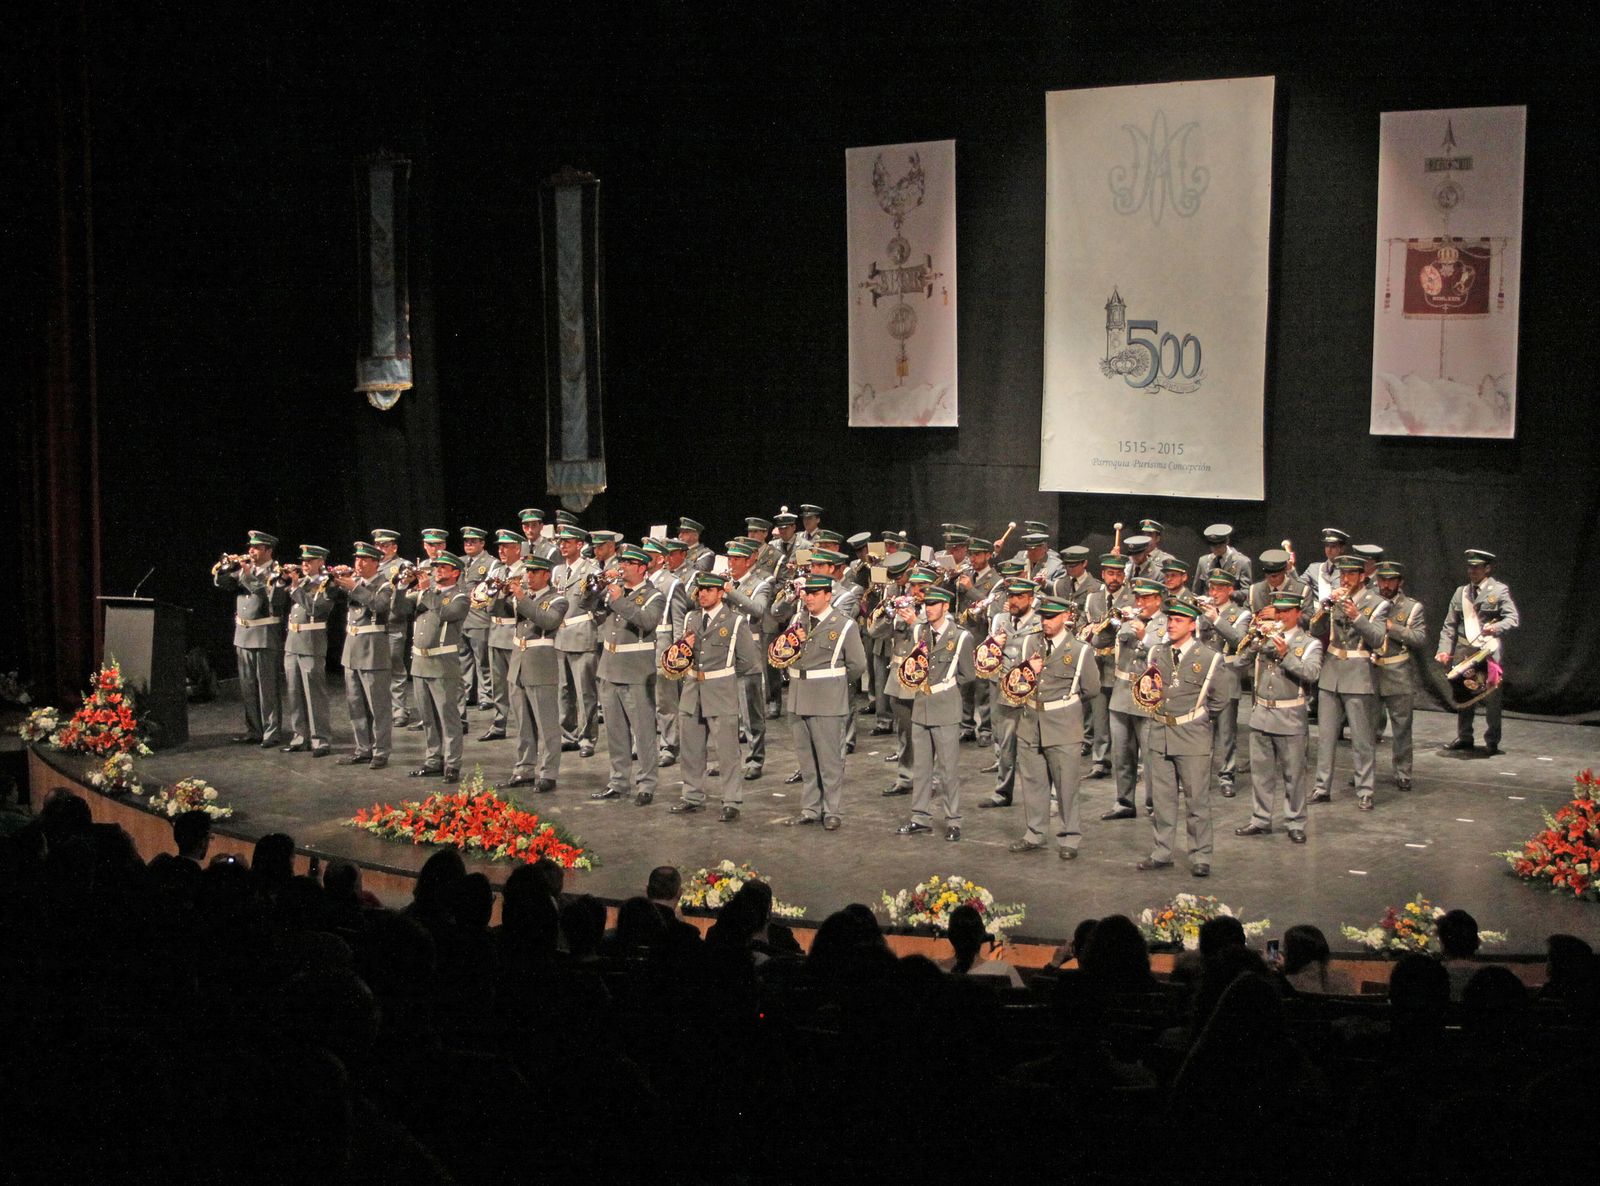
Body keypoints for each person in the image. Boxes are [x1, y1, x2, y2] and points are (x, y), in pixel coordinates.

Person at [1135, 600, 1227, 877]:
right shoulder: (1156, 652)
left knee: (1196, 800)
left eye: (1178, 620)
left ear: (1192, 625)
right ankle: (1162, 851)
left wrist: (1195, 719)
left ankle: (1200, 855)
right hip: (1160, 732)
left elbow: (1220, 700)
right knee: (1162, 800)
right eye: (1170, 619)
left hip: (1192, 735)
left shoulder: (1209, 658)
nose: (1171, 624)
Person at [669, 571, 763, 821]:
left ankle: (731, 800)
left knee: (727, 752)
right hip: (692, 690)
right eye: (701, 589)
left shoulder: (735, 621)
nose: (703, 594)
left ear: (721, 593)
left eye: (709, 590)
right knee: (690, 749)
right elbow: (681, 655)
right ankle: (692, 796)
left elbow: (748, 661)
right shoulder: (691, 618)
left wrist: (723, 676)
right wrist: (684, 648)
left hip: (720, 692)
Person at [1008, 593, 1094, 859]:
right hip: (1031, 722)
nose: (1045, 622)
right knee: (1033, 783)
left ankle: (1070, 837)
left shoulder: (1079, 650)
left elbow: (1091, 689)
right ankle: (1034, 832)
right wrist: (1026, 670)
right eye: (1043, 616)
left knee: (1066, 785)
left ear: (1066, 617)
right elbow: (1014, 682)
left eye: (1051, 617)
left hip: (1063, 725)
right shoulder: (1029, 643)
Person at [780, 573, 869, 831]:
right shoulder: (798, 620)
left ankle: (832, 810)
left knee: (830, 761)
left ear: (828, 595)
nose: (809, 598)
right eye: (807, 593)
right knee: (806, 760)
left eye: (815, 593)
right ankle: (810, 809)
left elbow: (857, 665)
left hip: (827, 699)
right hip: (798, 697)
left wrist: (835, 685)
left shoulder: (843, 625)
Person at [1236, 594, 1321, 843]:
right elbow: (1239, 663)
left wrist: (1286, 656)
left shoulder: (1309, 643)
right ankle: (1260, 819)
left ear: (1298, 613)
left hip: (1289, 716)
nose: (1281, 616)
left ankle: (1295, 822)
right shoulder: (1264, 638)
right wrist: (1254, 642)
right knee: (1261, 774)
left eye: (1286, 611)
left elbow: (1312, 673)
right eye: (1278, 611)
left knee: (1294, 774)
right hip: (1262, 714)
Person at [893, 586, 975, 841]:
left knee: (948, 769)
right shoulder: (920, 631)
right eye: (926, 604)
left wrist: (946, 688)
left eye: (933, 604)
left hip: (945, 705)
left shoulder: (960, 636)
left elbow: (968, 675)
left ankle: (953, 820)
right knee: (922, 767)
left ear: (945, 606)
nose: (928, 608)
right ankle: (920, 817)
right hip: (921, 705)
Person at [1310, 555, 1390, 810]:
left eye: (1351, 575)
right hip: (1331, 672)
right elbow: (1315, 631)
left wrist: (1357, 616)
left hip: (1358, 674)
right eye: (1343, 574)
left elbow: (1377, 639)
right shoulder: (1335, 599)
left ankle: (1365, 790)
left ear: (1362, 576)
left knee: (1361, 738)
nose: (1345, 579)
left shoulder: (1377, 603)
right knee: (1326, 737)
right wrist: (1325, 608)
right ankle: (1322, 787)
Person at [593, 545, 665, 806]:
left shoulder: (654, 596)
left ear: (642, 567)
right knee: (615, 732)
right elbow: (584, 606)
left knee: (643, 732)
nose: (621, 567)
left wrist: (618, 600)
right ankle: (618, 782)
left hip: (636, 672)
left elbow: (647, 621)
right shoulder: (614, 590)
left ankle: (646, 784)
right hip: (609, 668)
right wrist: (596, 587)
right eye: (621, 562)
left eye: (628, 563)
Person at [1437, 549, 1520, 755]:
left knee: (1492, 697)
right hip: (1465, 650)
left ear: (1487, 568)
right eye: (1470, 567)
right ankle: (1465, 736)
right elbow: (1449, 626)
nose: (1472, 571)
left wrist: (1496, 627)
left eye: (1477, 567)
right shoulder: (1461, 593)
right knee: (1464, 694)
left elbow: (1512, 618)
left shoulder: (1498, 590)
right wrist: (1444, 650)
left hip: (1487, 651)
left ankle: (1492, 740)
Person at [400, 549, 470, 783]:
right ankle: (433, 760)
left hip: (442, 663)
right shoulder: (425, 593)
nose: (437, 570)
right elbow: (398, 608)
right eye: (436, 567)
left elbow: (444, 613)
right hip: (420, 662)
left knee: (448, 717)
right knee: (428, 717)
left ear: (455, 573)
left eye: (443, 567)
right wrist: (402, 585)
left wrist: (426, 591)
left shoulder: (460, 597)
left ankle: (452, 764)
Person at [213, 529, 288, 746]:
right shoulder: (246, 569)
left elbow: (269, 595)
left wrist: (247, 575)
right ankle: (254, 730)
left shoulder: (277, 572)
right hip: (243, 634)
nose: (251, 551)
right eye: (251, 548)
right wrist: (226, 567)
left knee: (267, 687)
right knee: (247, 687)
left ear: (268, 550)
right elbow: (223, 583)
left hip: (264, 634)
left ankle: (271, 732)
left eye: (256, 548)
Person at [975, 577, 1041, 809]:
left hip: (1032, 693)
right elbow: (986, 656)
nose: (1013, 601)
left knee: (1035, 747)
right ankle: (1002, 792)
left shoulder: (1041, 622)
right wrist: (993, 644)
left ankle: (1044, 796)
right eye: (1011, 596)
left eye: (1020, 596)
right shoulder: (1000, 620)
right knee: (1005, 745)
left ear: (1030, 599)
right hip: (1005, 691)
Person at [503, 554, 567, 793]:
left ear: (546, 575)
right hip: (518, 663)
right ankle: (524, 769)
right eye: (527, 572)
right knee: (523, 724)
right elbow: (494, 610)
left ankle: (548, 773)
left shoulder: (557, 600)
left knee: (546, 723)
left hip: (541, 665)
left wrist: (521, 598)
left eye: (534, 572)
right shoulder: (524, 598)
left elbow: (547, 621)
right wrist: (499, 594)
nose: (528, 576)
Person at [1107, 577, 1167, 820]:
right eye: (1138, 598)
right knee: (1121, 754)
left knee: (1151, 757)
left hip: (1147, 697)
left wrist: (1144, 637)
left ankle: (1154, 805)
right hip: (1121, 694)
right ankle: (1124, 802)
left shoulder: (1166, 623)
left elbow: (1165, 656)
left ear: (1158, 599)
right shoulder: (1127, 620)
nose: (1139, 602)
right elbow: (1100, 642)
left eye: (1145, 598)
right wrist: (1112, 623)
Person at [332, 541, 395, 769]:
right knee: (355, 704)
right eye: (357, 559)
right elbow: (329, 595)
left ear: (376, 563)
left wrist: (355, 587)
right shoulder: (354, 581)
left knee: (378, 706)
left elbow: (380, 605)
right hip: (352, 649)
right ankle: (363, 748)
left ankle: (381, 751)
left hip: (372, 650)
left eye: (364, 559)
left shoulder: (384, 584)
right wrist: (335, 578)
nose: (358, 563)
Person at [721, 540, 774, 780]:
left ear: (748, 561)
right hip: (724, 651)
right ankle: (729, 759)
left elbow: (758, 610)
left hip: (748, 651)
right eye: (729, 559)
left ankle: (755, 759)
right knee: (726, 712)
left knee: (751, 711)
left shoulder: (761, 583)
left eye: (736, 559)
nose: (731, 563)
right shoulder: (724, 582)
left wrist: (730, 592)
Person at [1372, 561, 1427, 790]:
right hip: (1370, 671)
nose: (1386, 585)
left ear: (1400, 582)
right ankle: (1364, 771)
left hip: (1397, 671)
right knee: (1366, 728)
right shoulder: (1368, 602)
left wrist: (1392, 628)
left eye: (1391, 580)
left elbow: (1419, 639)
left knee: (1402, 727)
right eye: (1382, 580)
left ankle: (1403, 772)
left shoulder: (1412, 607)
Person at [1197, 570, 1250, 798]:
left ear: (1230, 590)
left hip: (1226, 674)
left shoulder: (1241, 614)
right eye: (1211, 588)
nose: (1214, 593)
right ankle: (1198, 776)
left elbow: (1239, 641)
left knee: (1226, 732)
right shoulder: (1201, 612)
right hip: (1202, 675)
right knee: (1200, 730)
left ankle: (1227, 776)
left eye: (1219, 589)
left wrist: (1216, 619)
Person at [1079, 553, 1130, 783]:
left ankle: (1125, 762)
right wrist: (1087, 630)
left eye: (1119, 573)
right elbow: (1083, 624)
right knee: (1099, 718)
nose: (1114, 578)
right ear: (1103, 574)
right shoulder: (1093, 598)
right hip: (1098, 666)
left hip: (1121, 666)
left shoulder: (1131, 599)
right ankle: (1100, 761)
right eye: (1110, 573)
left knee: (1122, 720)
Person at [551, 525, 602, 758]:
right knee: (563, 690)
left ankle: (587, 738)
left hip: (582, 633)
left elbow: (598, 601)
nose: (563, 546)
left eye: (568, 542)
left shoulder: (591, 570)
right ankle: (567, 735)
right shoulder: (558, 571)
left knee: (585, 693)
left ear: (579, 545)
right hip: (561, 635)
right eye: (561, 542)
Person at [281, 544, 333, 757]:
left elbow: (315, 608)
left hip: (311, 643)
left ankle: (320, 740)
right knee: (294, 693)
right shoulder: (301, 582)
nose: (304, 564)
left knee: (314, 695)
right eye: (303, 560)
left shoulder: (326, 583)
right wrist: (285, 580)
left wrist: (295, 588)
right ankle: (300, 736)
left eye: (309, 561)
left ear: (320, 562)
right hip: (292, 642)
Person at [649, 539, 693, 769]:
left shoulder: (671, 583)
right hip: (642, 648)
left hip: (662, 646)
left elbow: (678, 620)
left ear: (660, 559)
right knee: (644, 700)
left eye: (649, 555)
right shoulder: (639, 582)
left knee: (665, 701)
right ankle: (644, 744)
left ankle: (669, 745)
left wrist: (677, 653)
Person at [479, 529, 526, 741]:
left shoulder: (525, 571)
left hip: (513, 630)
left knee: (516, 684)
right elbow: (485, 601)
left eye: (506, 547)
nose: (501, 551)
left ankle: (524, 725)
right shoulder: (496, 571)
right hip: (496, 631)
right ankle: (499, 724)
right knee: (498, 684)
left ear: (517, 548)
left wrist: (508, 594)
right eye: (500, 547)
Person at [373, 528, 417, 728]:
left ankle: (399, 710)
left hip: (393, 623)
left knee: (395, 667)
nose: (380, 549)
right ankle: (381, 709)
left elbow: (409, 594)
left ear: (394, 547)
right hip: (374, 625)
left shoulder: (402, 566)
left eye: (385, 545)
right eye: (378, 545)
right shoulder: (372, 565)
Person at [457, 527, 495, 718]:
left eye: (473, 541)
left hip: (479, 618)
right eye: (466, 541)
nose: (469, 544)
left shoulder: (490, 563)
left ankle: (486, 695)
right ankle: (468, 693)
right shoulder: (460, 562)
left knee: (483, 660)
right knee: (463, 658)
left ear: (482, 543)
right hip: (461, 618)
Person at [938, 904, 1024, 988]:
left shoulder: (935, 972)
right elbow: (1022, 996)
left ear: (950, 936)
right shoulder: (1002, 970)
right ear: (982, 935)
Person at [1276, 925, 1353, 995]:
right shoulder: (1343, 979)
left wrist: (1281, 973)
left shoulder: (1290, 982)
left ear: (1293, 954)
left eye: (1285, 949)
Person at [1192, 524, 1251, 602]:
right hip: (1208, 606)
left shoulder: (1242, 562)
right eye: (1213, 546)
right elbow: (1196, 591)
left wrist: (1230, 593)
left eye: (1219, 545)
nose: (1216, 549)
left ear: (1226, 542)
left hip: (1231, 606)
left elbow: (1248, 592)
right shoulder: (1203, 561)